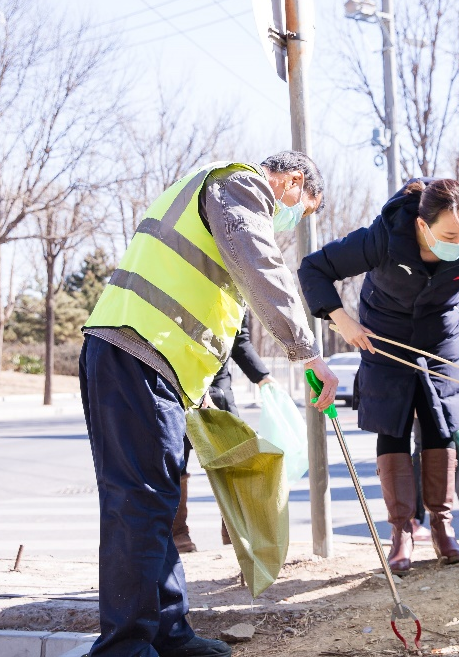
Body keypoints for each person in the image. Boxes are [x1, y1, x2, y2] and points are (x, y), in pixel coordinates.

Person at [80, 152, 339, 657]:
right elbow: (259, 264)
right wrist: (306, 351)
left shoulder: (207, 189)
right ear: (293, 180)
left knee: (152, 504)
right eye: (301, 209)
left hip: (148, 358)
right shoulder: (239, 185)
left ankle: (167, 634)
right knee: (138, 503)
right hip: (137, 351)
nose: (290, 220)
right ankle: (123, 649)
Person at [297, 178, 459, 574]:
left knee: (441, 427)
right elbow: (315, 268)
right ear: (423, 226)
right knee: (393, 427)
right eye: (449, 235)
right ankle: (401, 531)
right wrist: (342, 320)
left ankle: (443, 527)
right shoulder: (386, 236)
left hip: (441, 341)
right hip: (384, 339)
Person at [173, 313, 273, 554]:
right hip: (178, 383)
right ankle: (177, 533)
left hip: (219, 389)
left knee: (236, 461)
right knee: (175, 461)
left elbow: (240, 342)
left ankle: (235, 530)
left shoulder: (238, 291)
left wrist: (263, 378)